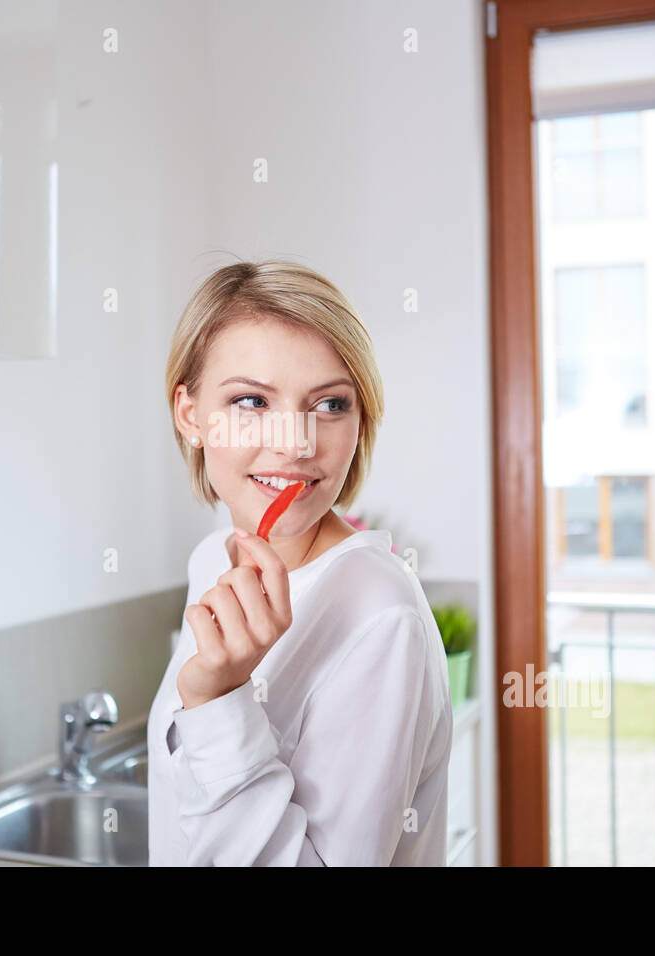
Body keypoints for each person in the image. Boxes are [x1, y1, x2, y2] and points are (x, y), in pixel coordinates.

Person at [148, 258, 454, 866]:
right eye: (252, 401)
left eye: (330, 405)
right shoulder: (215, 558)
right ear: (190, 414)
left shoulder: (381, 616)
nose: (295, 442)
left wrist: (218, 700)